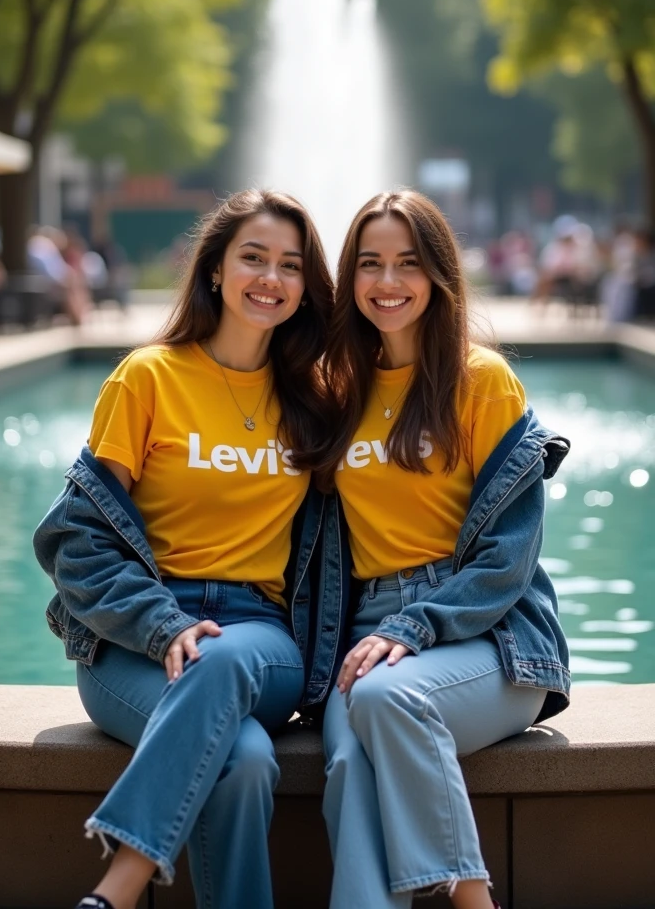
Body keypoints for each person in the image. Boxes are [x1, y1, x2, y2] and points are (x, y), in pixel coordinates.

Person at [33, 189, 338, 909]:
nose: (271, 278)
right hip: (137, 640)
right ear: (214, 271)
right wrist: (161, 625)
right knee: (244, 762)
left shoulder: (316, 399)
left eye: (291, 266)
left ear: (305, 287)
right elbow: (77, 539)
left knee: (224, 656)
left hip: (261, 638)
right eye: (253, 258)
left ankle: (118, 884)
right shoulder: (148, 377)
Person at [316, 190, 570, 909]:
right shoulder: (338, 388)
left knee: (389, 701)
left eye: (408, 264)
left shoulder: (480, 379)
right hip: (366, 634)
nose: (388, 283)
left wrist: (417, 623)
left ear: (438, 276)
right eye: (370, 264)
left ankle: (474, 902)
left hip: (490, 634)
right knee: (347, 767)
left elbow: (509, 555)